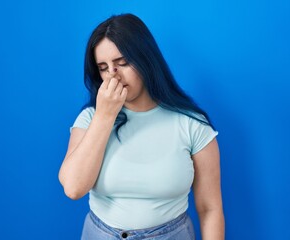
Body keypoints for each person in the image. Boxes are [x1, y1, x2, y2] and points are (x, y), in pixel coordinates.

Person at [58, 13, 224, 240]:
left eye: (122, 63)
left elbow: (210, 209)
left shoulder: (192, 124)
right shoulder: (90, 119)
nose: (113, 75)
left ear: (146, 59)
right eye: (104, 68)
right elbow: (73, 188)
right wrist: (105, 116)